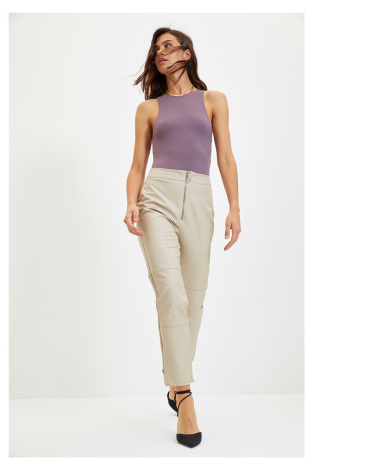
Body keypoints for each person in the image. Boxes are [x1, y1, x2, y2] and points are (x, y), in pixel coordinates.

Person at [123, 27, 241, 448]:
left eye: (169, 46)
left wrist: (235, 206)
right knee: (170, 291)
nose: (161, 53)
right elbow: (138, 165)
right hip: (157, 196)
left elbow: (225, 155)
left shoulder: (214, 100)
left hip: (201, 198)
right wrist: (131, 201)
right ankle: (185, 396)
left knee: (193, 294)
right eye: (156, 50)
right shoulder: (148, 109)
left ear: (187, 54)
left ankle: (174, 382)